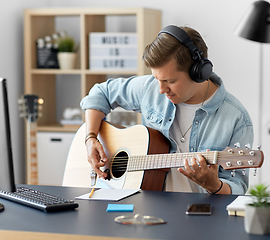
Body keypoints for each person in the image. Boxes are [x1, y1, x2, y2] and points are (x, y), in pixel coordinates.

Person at [80, 25, 254, 195]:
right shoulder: (150, 89)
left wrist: (214, 186)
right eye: (157, 79)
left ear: (199, 73)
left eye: (170, 81)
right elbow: (100, 93)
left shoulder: (236, 118)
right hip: (147, 211)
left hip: (201, 217)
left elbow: (237, 186)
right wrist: (90, 138)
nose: (161, 90)